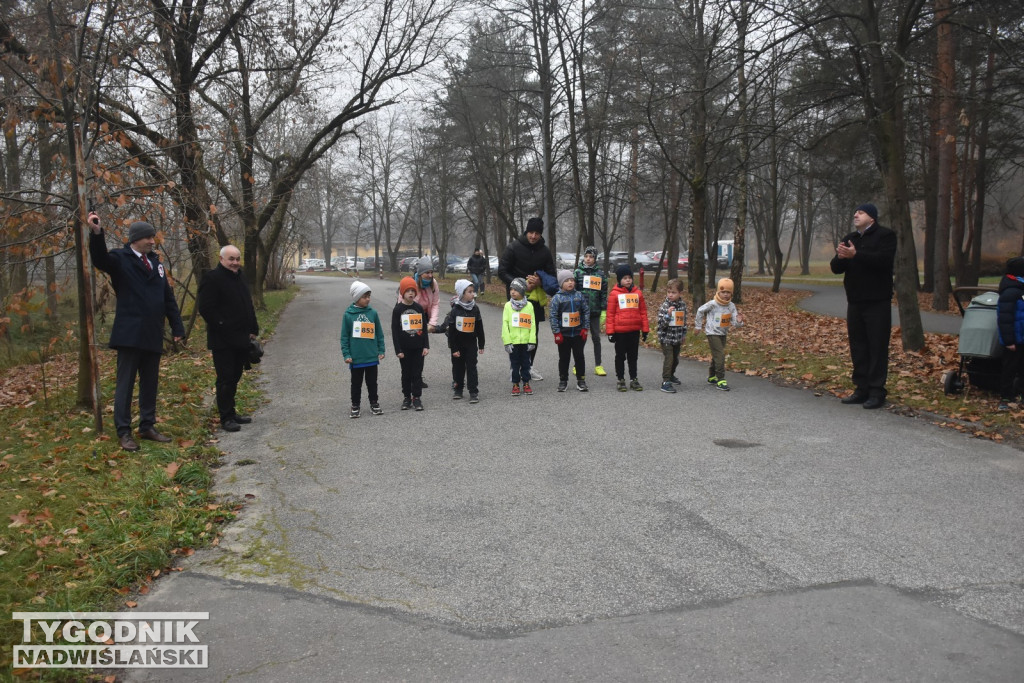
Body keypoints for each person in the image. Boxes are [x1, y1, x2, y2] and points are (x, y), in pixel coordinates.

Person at [88, 213, 185, 452]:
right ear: (136, 239)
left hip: (153, 333)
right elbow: (100, 259)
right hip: (130, 334)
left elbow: (167, 298)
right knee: (125, 385)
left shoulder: (157, 264)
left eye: (153, 237)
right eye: (148, 237)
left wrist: (177, 326)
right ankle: (124, 432)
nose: (153, 241)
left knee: (150, 383)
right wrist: (96, 233)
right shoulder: (120, 259)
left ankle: (147, 426)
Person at [830, 202, 897, 409]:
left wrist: (856, 255)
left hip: (877, 301)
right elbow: (835, 268)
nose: (856, 214)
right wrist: (841, 257)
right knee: (858, 346)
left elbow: (883, 261)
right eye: (855, 212)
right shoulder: (850, 238)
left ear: (872, 218)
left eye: (861, 212)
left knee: (877, 347)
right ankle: (861, 389)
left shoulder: (885, 235)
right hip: (855, 301)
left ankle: (877, 392)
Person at [197, 245, 260, 432]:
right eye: (231, 259)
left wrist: (253, 328)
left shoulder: (240, 277)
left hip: (242, 338)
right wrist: (224, 326)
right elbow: (206, 309)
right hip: (222, 340)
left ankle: (232, 412)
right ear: (221, 259)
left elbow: (248, 304)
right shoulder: (212, 278)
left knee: (235, 377)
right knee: (225, 378)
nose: (235, 263)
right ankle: (226, 417)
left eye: (237, 259)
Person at [497, 217, 557, 378]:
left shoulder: (544, 251)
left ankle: (528, 367)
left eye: (537, 233)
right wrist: (520, 284)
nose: (533, 236)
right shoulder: (513, 247)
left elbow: (552, 275)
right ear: (526, 232)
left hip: (535, 300)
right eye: (531, 232)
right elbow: (502, 272)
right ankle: (515, 368)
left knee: (532, 334)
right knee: (516, 333)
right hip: (516, 298)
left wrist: (540, 281)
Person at [341, 281, 386, 418]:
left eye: (369, 296)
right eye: (364, 296)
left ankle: (374, 403)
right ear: (356, 297)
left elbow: (379, 332)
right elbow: (344, 337)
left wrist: (381, 349)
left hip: (371, 357)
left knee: (372, 383)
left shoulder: (373, 313)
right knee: (356, 384)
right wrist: (346, 354)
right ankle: (355, 405)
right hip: (356, 358)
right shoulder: (348, 315)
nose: (368, 299)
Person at [694, 278, 743, 391]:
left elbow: (735, 324)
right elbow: (700, 311)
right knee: (720, 355)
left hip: (723, 333)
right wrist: (698, 326)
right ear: (718, 292)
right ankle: (720, 379)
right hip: (712, 333)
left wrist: (739, 321)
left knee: (717, 355)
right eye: (723, 292)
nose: (725, 295)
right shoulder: (713, 304)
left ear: (732, 293)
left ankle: (712, 376)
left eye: (728, 292)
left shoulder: (731, 306)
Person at [606, 264, 649, 392]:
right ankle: (620, 379)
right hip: (620, 332)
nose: (628, 280)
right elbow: (610, 314)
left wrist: (645, 329)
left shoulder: (638, 293)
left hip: (634, 331)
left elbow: (643, 312)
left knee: (633, 356)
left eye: (629, 277)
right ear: (619, 280)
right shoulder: (614, 294)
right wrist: (610, 332)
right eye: (624, 278)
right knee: (620, 356)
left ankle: (633, 379)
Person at [444, 279, 485, 403]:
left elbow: (479, 327)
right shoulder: (455, 310)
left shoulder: (475, 309)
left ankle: (473, 391)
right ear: (462, 294)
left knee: (472, 367)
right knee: (458, 368)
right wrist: (454, 348)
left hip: (471, 343)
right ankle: (458, 389)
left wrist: (481, 344)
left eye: (473, 292)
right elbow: (451, 332)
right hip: (458, 345)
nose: (473, 294)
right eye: (470, 292)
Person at [549, 269, 590, 392]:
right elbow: (553, 316)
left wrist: (585, 328)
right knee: (564, 358)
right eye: (566, 281)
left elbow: (585, 311)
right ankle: (563, 380)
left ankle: (581, 380)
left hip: (578, 333)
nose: (570, 283)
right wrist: (556, 332)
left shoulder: (579, 296)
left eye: (572, 280)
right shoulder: (557, 298)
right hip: (564, 335)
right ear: (561, 283)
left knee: (579, 357)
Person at [392, 276, 429, 411]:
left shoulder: (419, 308)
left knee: (417, 373)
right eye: (408, 291)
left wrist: (426, 345)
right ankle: (407, 397)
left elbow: (424, 328)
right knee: (406, 373)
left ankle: (417, 397)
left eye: (413, 290)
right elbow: (395, 331)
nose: (411, 293)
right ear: (402, 293)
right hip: (405, 348)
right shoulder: (398, 310)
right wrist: (398, 350)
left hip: (418, 347)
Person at [574, 246, 608, 377]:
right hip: (581, 312)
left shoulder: (600, 274)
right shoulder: (577, 273)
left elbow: (604, 293)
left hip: (595, 312)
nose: (588, 259)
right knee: (580, 338)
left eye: (591, 257)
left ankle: (598, 365)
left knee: (596, 338)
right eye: (586, 256)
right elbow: (573, 291)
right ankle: (577, 364)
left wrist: (603, 310)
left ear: (595, 258)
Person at [996, 256, 1024, 411]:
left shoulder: (1020, 289)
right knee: (1010, 368)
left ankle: (1019, 392)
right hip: (1014, 340)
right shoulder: (1011, 291)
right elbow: (1005, 319)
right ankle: (1006, 396)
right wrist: (1008, 341)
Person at [502, 277, 537, 396]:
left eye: (516, 289)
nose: (512, 292)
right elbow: (505, 324)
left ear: (522, 291)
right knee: (515, 364)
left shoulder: (529, 306)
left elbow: (532, 325)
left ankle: (526, 382)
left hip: (526, 342)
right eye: (511, 289)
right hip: (513, 342)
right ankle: (515, 384)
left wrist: (532, 341)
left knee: (526, 364)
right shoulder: (507, 306)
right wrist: (507, 342)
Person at [656, 278, 688, 394]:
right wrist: (668, 315)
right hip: (666, 338)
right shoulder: (665, 306)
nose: (670, 295)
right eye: (669, 292)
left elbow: (684, 321)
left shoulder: (683, 305)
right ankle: (665, 381)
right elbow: (661, 324)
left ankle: (671, 375)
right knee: (669, 359)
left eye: (673, 292)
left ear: (680, 293)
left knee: (675, 360)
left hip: (677, 337)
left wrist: (683, 334)